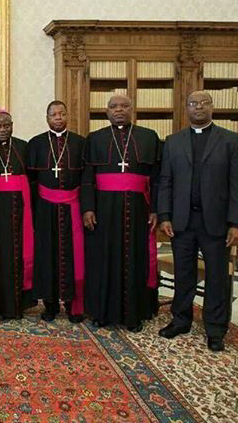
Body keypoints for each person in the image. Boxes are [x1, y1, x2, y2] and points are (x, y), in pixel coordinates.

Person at [157, 90, 238, 352]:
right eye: (193, 103)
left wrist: (236, 223)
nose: (199, 107)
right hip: (182, 221)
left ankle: (216, 329)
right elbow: (166, 182)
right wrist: (164, 216)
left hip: (217, 223)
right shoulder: (173, 142)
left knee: (217, 277)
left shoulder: (231, 140)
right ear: (186, 108)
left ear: (212, 107)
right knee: (184, 273)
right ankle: (181, 320)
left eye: (204, 103)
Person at [81, 94, 161, 332]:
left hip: (138, 211)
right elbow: (86, 179)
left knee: (135, 258)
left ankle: (134, 314)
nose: (119, 110)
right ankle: (101, 312)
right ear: (106, 111)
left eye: (124, 106)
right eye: (114, 106)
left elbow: (157, 179)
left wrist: (156, 209)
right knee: (103, 260)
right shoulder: (95, 139)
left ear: (132, 110)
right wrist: (87, 208)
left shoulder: (149, 137)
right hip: (103, 211)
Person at [27, 101, 86, 322]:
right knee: (46, 254)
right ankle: (50, 305)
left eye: (62, 113)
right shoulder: (36, 144)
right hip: (44, 208)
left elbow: (86, 179)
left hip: (73, 208)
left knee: (72, 256)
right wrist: (33, 212)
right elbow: (31, 182)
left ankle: (72, 305)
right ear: (47, 117)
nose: (58, 117)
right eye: (54, 114)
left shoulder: (80, 143)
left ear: (67, 115)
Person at [0, 110, 35, 320]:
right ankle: (1, 306)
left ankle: (22, 304)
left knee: (21, 253)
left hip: (21, 207)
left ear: (12, 125)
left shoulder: (23, 146)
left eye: (6, 126)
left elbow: (32, 178)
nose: (2, 130)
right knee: (0, 256)